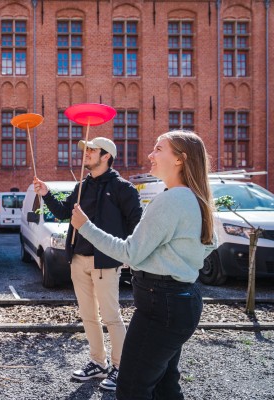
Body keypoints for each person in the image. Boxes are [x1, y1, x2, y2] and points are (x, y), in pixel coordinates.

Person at [70, 130, 217, 399]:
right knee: (165, 385)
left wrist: (86, 227)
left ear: (179, 160)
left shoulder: (171, 199)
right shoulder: (193, 196)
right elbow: (211, 243)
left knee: (131, 388)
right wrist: (170, 258)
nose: (150, 154)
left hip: (161, 305)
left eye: (159, 149)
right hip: (182, 300)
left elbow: (131, 253)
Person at [34, 137, 142, 391]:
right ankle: (98, 362)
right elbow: (63, 213)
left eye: (92, 150)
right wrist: (46, 193)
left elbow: (137, 225)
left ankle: (119, 366)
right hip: (78, 259)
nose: (86, 154)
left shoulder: (123, 189)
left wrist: (127, 254)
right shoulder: (82, 186)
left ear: (107, 156)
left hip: (106, 261)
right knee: (88, 316)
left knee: (111, 317)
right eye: (87, 150)